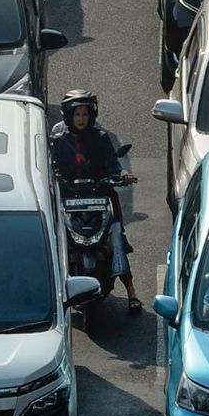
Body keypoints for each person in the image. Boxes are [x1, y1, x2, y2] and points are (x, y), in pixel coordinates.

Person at [50, 89, 141, 314]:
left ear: (92, 115)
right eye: (77, 114)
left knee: (117, 234)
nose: (81, 119)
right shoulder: (58, 139)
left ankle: (132, 292)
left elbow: (113, 164)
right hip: (69, 197)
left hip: (99, 195)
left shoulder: (100, 138)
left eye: (85, 114)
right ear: (68, 115)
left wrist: (122, 174)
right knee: (52, 237)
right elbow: (51, 165)